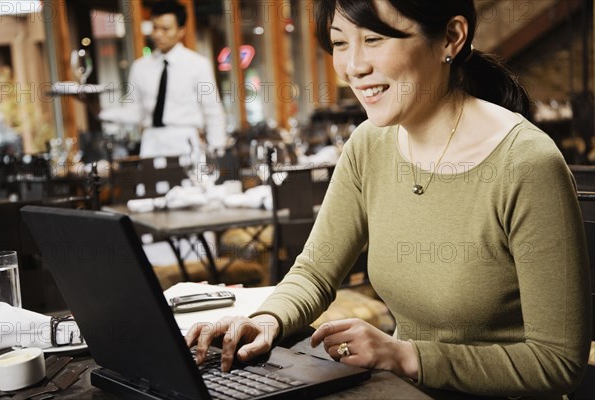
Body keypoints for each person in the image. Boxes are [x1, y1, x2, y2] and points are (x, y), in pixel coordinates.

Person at [186, 0, 591, 397]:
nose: (353, 67)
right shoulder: (369, 144)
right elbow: (315, 271)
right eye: (340, 43)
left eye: (375, 39)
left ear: (451, 37)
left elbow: (555, 362)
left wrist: (406, 356)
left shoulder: (527, 163)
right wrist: (267, 320)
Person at [103, 1, 227, 158]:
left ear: (181, 31)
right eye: (155, 27)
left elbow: (213, 111)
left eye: (165, 29)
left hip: (186, 142)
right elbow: (134, 112)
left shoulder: (198, 65)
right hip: (151, 144)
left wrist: (217, 149)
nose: (158, 34)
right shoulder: (140, 67)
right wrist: (105, 114)